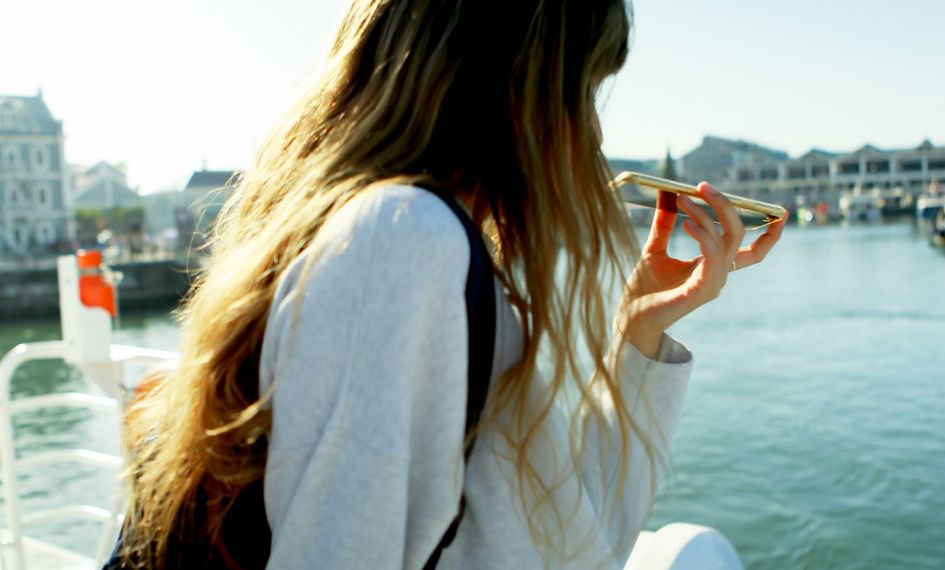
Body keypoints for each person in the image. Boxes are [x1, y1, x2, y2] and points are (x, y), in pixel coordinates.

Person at [114, 0, 787, 568]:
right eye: (582, 88)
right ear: (517, 85)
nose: (594, 130)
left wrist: (640, 328)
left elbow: (568, 544)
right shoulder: (405, 241)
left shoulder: (412, 246)